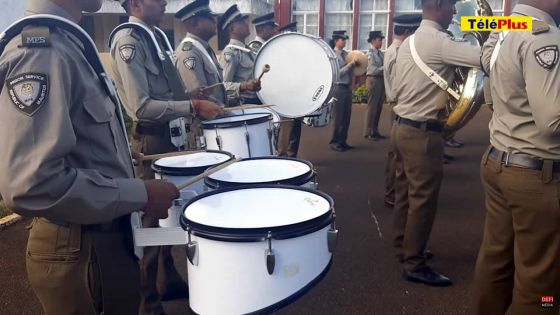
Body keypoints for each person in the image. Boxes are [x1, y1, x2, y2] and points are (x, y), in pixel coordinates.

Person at [0, 0, 181, 314]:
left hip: (97, 240)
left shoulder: (65, 42)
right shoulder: (41, 50)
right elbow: (31, 184)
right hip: (84, 249)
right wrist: (141, 193)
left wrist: (118, 154)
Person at [111, 1, 223, 314]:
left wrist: (190, 96)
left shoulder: (155, 36)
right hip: (151, 138)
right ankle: (147, 300)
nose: (163, 3)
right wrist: (193, 108)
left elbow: (165, 96)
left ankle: (167, 278)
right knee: (150, 220)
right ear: (135, 4)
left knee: (170, 210)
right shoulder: (128, 42)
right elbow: (142, 106)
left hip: (170, 135)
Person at [474, 1, 560, 314]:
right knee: (542, 286)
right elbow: (553, 121)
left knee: (495, 261)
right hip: (536, 175)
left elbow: (487, 67)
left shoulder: (509, 27)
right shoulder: (544, 35)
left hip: (499, 160)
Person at [392, 0, 480, 286]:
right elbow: (485, 59)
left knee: (405, 194)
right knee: (423, 200)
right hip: (421, 134)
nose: (455, 13)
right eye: (452, 7)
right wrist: (487, 32)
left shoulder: (412, 40)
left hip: (401, 127)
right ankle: (414, 263)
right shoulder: (439, 42)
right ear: (439, 6)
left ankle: (403, 247)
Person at [382, 13, 422, 209]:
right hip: (400, 106)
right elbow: (402, 84)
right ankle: (392, 194)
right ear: (408, 32)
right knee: (397, 154)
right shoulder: (399, 52)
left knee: (397, 153)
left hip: (398, 105)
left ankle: (394, 192)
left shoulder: (394, 49)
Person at [174, 0, 227, 106]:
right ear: (195, 23)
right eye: (210, 18)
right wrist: (225, 110)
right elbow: (200, 97)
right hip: (203, 121)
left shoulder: (204, 48)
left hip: (217, 117)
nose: (215, 21)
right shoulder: (189, 52)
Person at [218, 4, 261, 105]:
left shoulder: (247, 50)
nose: (246, 24)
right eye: (241, 22)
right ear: (232, 29)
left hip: (256, 101)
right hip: (243, 105)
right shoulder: (230, 52)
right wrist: (245, 86)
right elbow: (223, 85)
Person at [276, 21, 303, 157]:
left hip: (296, 94)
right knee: (286, 127)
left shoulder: (296, 54)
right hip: (284, 95)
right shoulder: (278, 52)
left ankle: (293, 155)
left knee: (296, 127)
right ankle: (283, 156)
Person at [329, 30, 357, 152]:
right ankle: (335, 141)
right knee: (338, 117)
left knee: (347, 116)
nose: (345, 41)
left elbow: (351, 72)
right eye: (342, 39)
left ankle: (343, 140)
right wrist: (350, 65)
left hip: (346, 87)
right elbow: (337, 74)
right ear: (336, 41)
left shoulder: (346, 54)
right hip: (338, 88)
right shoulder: (333, 55)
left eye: (345, 39)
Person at [364, 30, 386, 141]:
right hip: (373, 79)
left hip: (381, 80)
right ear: (373, 41)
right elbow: (373, 69)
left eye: (381, 40)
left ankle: (375, 130)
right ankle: (368, 131)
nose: (381, 42)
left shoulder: (381, 54)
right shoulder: (370, 54)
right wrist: (385, 67)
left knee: (379, 106)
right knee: (372, 106)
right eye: (379, 40)